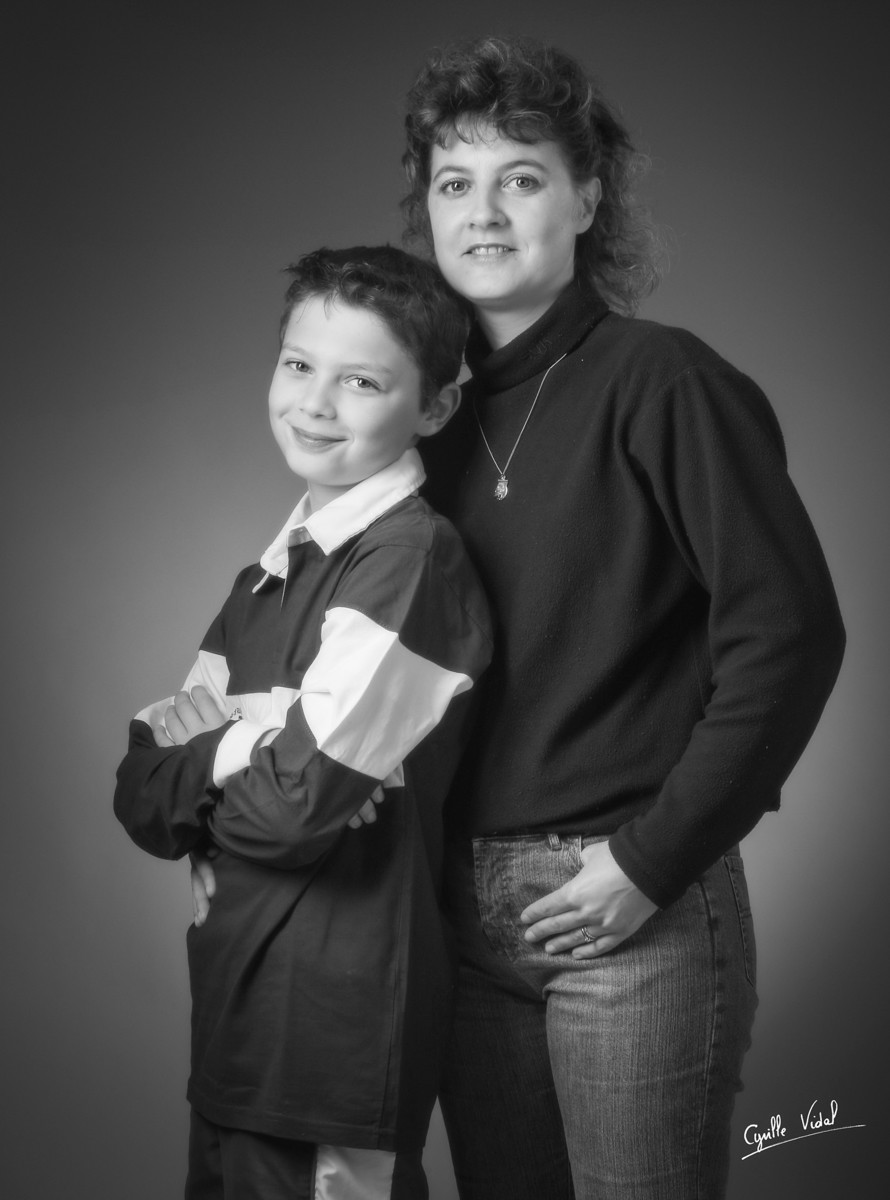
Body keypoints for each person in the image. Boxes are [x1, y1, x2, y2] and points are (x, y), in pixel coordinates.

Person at [192, 34, 846, 1200]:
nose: (482, 212)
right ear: (427, 210)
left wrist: (647, 863)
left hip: (626, 907)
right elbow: (324, 646)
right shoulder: (411, 413)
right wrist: (212, 806)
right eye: (454, 182)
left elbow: (788, 638)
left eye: (521, 178)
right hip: (446, 907)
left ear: (587, 198)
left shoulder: (665, 382)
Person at [113, 245, 493, 1200]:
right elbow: (140, 793)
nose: (316, 404)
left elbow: (286, 818)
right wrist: (248, 751)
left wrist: (219, 769)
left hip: (335, 1029)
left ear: (435, 406)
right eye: (298, 365)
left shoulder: (410, 563)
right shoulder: (266, 577)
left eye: (362, 381)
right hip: (236, 1015)